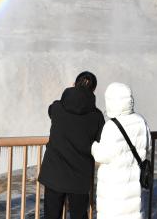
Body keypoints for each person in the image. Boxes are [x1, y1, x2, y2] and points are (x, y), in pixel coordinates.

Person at [38, 71, 105, 219]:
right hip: (79, 178)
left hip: (54, 174)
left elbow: (50, 111)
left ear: (74, 84)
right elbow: (100, 139)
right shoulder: (97, 116)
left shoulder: (57, 107)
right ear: (93, 90)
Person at [91, 82, 151, 219]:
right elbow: (148, 147)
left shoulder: (111, 126)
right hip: (134, 184)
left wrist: (93, 145)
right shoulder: (141, 121)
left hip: (114, 188)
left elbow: (102, 156)